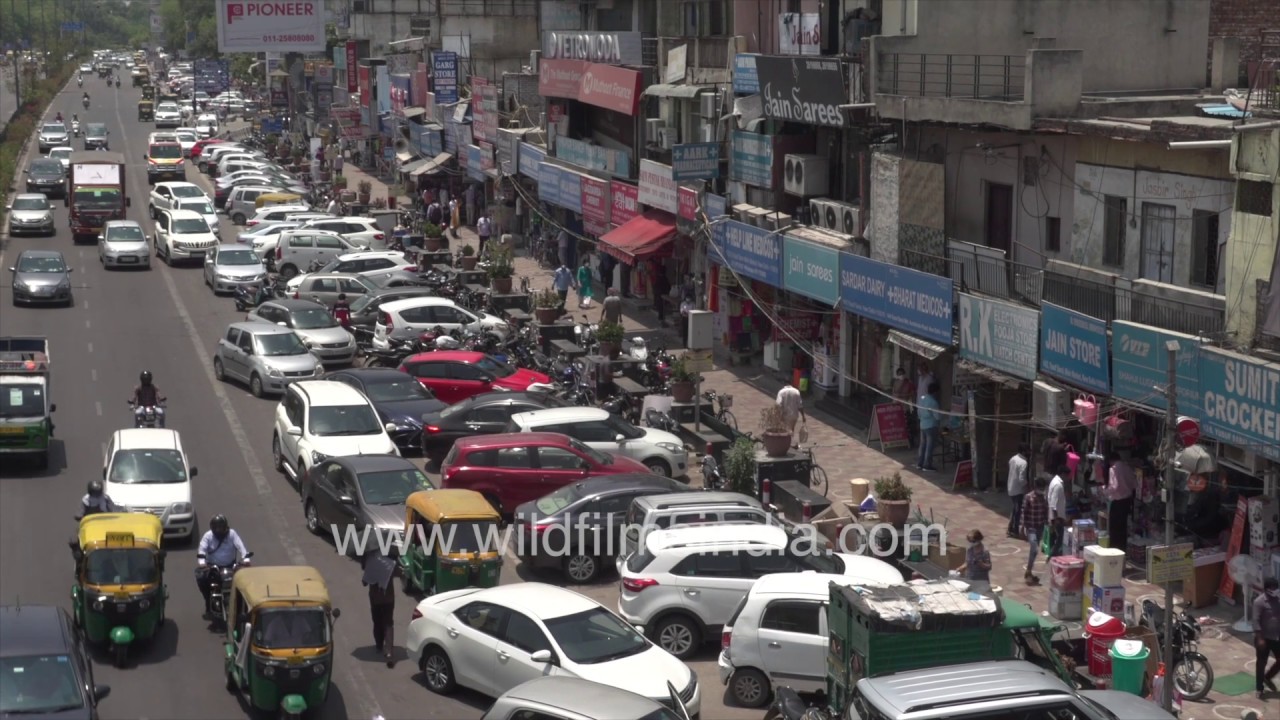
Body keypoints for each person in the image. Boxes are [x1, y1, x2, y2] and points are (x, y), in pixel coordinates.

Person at [195, 515, 251, 616]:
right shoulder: (208, 536)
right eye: (217, 527)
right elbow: (202, 550)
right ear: (212, 528)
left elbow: (241, 547)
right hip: (213, 567)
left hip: (230, 566)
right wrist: (202, 563)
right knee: (202, 578)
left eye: (221, 527)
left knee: (243, 583)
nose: (219, 530)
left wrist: (246, 559)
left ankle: (243, 606)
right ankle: (208, 602)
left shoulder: (232, 534)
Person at [363, 552, 401, 667]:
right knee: (388, 623)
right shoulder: (390, 563)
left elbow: (364, 582)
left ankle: (379, 645)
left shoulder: (370, 560)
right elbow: (399, 573)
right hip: (388, 598)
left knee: (377, 621)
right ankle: (389, 651)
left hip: (375, 598)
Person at [1020, 475, 1049, 585]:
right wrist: (1022, 528)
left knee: (1034, 550)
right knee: (1034, 548)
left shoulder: (1044, 498)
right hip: (1031, 527)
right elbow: (1024, 512)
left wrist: (1048, 525)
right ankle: (1028, 570)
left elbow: (1045, 512)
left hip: (1040, 526)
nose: (1042, 490)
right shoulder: (1028, 497)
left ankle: (1029, 571)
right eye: (1040, 488)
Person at [1106, 451, 1137, 554]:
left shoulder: (1113, 469)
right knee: (1123, 526)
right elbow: (1134, 484)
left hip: (1118, 501)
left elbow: (1114, 486)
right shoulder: (1127, 468)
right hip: (1127, 501)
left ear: (1111, 460)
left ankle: (1114, 549)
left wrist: (1104, 491)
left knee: (1114, 527)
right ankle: (1122, 549)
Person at [1255, 577, 1280, 699]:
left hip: (1276, 637)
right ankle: (1259, 688)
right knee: (1261, 663)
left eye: (1277, 588)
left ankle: (1268, 677)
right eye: (1273, 588)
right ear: (1267, 589)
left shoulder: (1278, 599)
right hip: (1264, 638)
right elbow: (1256, 621)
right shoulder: (1259, 602)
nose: (1275, 590)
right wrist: (1260, 638)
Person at [916, 382, 942, 472]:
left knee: (922, 445)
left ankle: (920, 463)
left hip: (922, 424)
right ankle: (927, 465)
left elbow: (918, 412)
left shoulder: (922, 398)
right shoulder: (934, 402)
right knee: (929, 446)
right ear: (935, 392)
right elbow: (937, 416)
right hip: (931, 426)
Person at [1045, 465, 1069, 560]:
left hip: (1056, 516)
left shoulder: (1055, 481)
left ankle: (1054, 554)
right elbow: (1053, 504)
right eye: (1067, 476)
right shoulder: (1058, 485)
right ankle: (1052, 556)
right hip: (1057, 517)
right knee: (1059, 538)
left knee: (1055, 537)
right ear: (1063, 474)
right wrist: (1055, 520)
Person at [1007, 443, 1030, 538]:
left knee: (1015, 509)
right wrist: (1027, 485)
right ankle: (1015, 530)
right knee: (1018, 511)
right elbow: (1021, 479)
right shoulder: (1023, 463)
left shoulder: (1013, 458)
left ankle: (1011, 528)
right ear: (1024, 451)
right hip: (1018, 490)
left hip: (1010, 487)